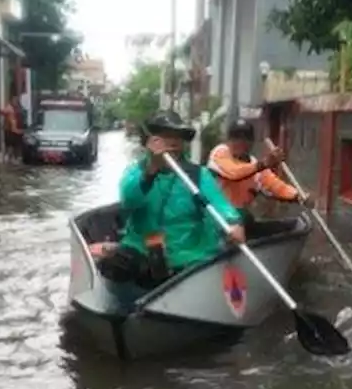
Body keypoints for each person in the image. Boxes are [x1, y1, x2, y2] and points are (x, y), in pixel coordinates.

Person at [96, 111, 244, 288]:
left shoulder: (198, 174)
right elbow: (129, 200)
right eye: (165, 136)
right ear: (150, 142)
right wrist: (151, 170)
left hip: (190, 254)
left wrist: (233, 222)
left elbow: (219, 204)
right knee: (116, 265)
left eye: (178, 137)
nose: (173, 142)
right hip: (143, 249)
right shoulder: (136, 171)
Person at [208, 118, 313, 238]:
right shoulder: (220, 154)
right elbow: (234, 173)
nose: (240, 142)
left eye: (245, 138)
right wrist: (263, 164)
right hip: (216, 217)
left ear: (251, 142)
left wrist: (299, 196)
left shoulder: (256, 167)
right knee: (239, 219)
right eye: (236, 137)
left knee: (280, 226)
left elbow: (277, 187)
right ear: (228, 140)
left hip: (240, 218)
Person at [0, 96, 23, 163]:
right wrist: (19, 131)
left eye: (16, 101)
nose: (15, 102)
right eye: (14, 101)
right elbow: (3, 111)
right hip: (10, 131)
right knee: (10, 146)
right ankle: (7, 158)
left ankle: (10, 158)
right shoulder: (10, 109)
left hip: (12, 130)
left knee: (13, 145)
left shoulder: (16, 109)